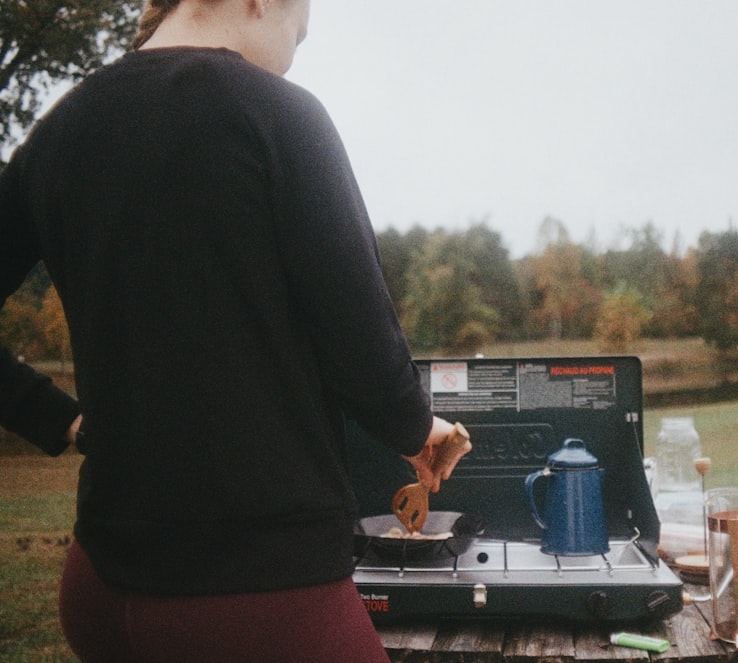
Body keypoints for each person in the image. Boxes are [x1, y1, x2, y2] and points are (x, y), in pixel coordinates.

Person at [0, 0, 470, 660]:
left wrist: (58, 418)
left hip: (100, 587)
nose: (291, 56)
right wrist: (418, 430)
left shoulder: (61, 127)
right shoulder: (278, 112)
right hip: (258, 595)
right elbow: (359, 336)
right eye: (297, 36)